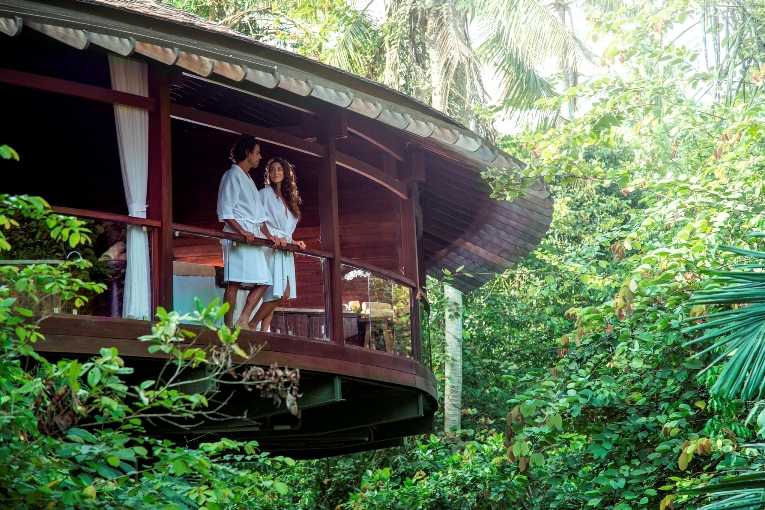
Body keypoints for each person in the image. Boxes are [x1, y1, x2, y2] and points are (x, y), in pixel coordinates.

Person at [217, 136, 281, 329]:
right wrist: (242, 231)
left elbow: (260, 217)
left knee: (265, 280)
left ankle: (243, 320)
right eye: (257, 152)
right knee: (233, 283)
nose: (260, 157)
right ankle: (227, 326)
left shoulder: (249, 179)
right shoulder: (232, 176)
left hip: (252, 238)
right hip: (237, 237)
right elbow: (225, 211)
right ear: (247, 153)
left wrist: (269, 235)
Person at [249, 157, 306, 332]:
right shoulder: (264, 193)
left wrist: (292, 241)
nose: (275, 172)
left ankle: (264, 332)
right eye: (272, 169)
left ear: (286, 173)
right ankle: (251, 324)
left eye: (279, 169)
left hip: (285, 248)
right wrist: (271, 236)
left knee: (275, 293)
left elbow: (287, 227)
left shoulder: (290, 198)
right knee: (282, 292)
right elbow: (258, 218)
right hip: (271, 247)